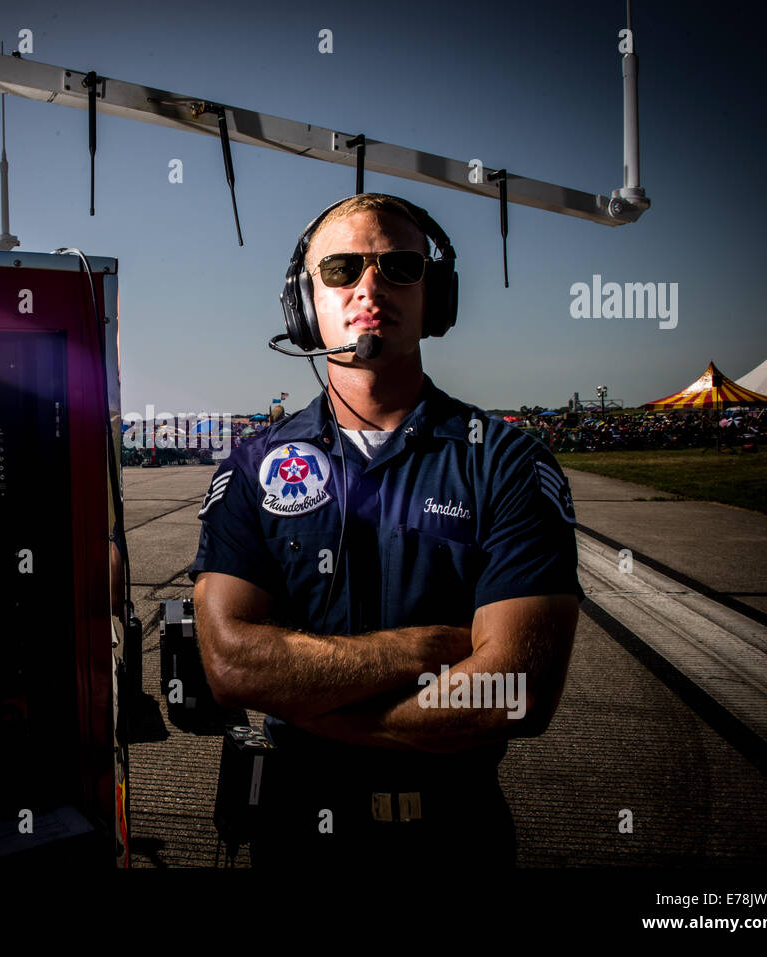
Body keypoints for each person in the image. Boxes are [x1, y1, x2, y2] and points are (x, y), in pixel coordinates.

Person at [189, 193, 583, 868]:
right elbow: (230, 662)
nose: (370, 286)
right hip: (296, 835)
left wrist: (325, 714)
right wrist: (424, 649)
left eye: (400, 266)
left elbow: (514, 689)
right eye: (341, 268)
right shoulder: (253, 467)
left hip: (455, 837)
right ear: (303, 301)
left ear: (437, 297)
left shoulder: (508, 463)